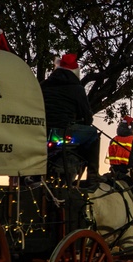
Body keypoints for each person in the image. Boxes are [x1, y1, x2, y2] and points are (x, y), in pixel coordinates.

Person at [40, 53, 100, 184]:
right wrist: (85, 121)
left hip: (42, 132)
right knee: (93, 135)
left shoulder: (43, 85)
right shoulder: (77, 88)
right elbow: (87, 117)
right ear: (75, 71)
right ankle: (93, 176)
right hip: (63, 132)